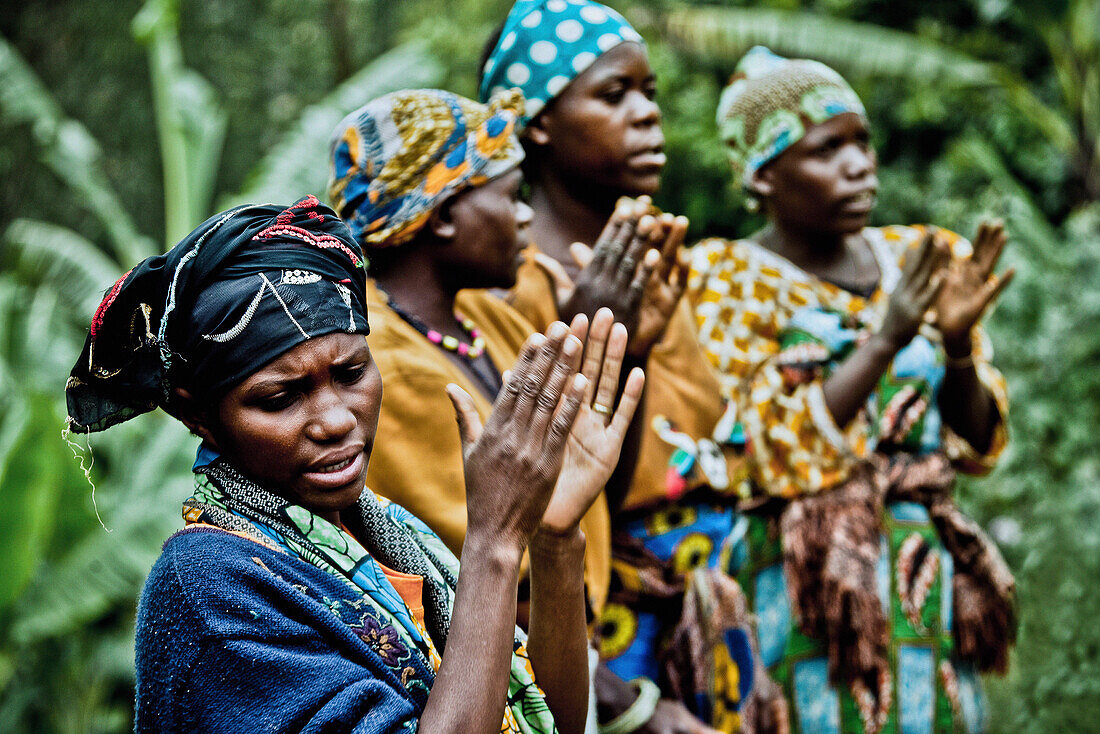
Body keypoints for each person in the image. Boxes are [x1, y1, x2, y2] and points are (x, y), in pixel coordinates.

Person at [66, 194, 643, 733]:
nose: (336, 420)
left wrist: (554, 537)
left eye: (351, 374)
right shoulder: (209, 589)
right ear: (200, 418)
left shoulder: (385, 532)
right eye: (279, 398)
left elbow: (553, 720)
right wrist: (494, 539)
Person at [688, 47, 1017, 733]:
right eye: (826, 150)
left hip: (922, 571)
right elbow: (759, 449)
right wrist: (885, 338)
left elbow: (977, 440)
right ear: (764, 175)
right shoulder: (725, 279)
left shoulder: (924, 255)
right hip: (801, 582)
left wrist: (956, 347)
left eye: (862, 141)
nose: (858, 162)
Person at [469, 3, 769, 733]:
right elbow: (544, 497)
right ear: (537, 123)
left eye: (650, 93)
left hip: (707, 606)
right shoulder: (500, 284)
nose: (646, 116)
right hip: (607, 635)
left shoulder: (658, 258)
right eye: (613, 95)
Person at [326, 88, 665, 623]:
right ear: (441, 218)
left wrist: (619, 343)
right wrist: (623, 703)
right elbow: (493, 575)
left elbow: (586, 490)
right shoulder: (385, 361)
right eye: (512, 196)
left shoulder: (488, 319)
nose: (527, 217)